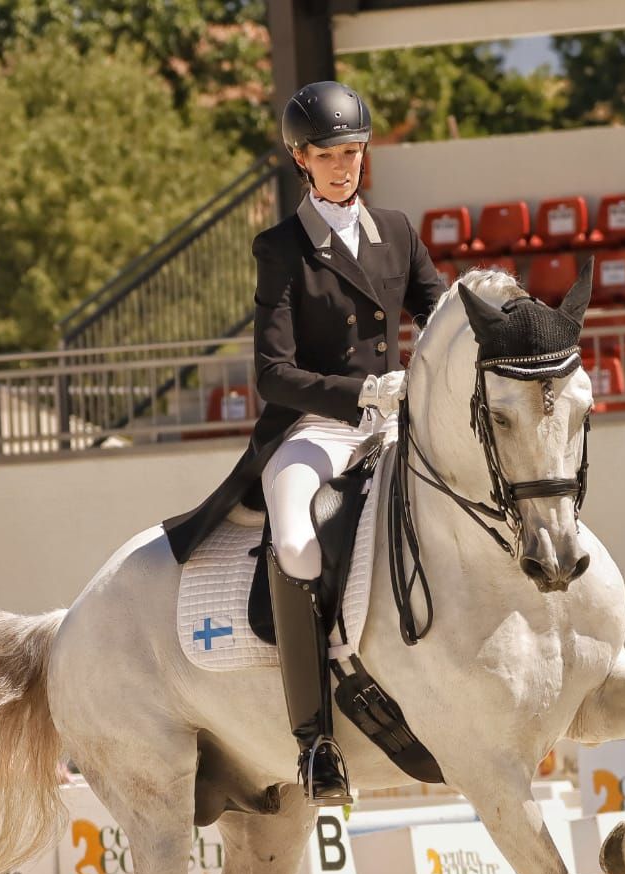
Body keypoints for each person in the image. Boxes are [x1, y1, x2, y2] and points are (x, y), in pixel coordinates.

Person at [162, 80, 448, 804]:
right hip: (315, 427)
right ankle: (315, 739)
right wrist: (362, 392)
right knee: (294, 541)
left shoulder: (397, 231)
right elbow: (273, 373)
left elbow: (441, 311)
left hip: (392, 425)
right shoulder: (282, 248)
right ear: (302, 160)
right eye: (327, 155)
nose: (343, 166)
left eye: (352, 152)